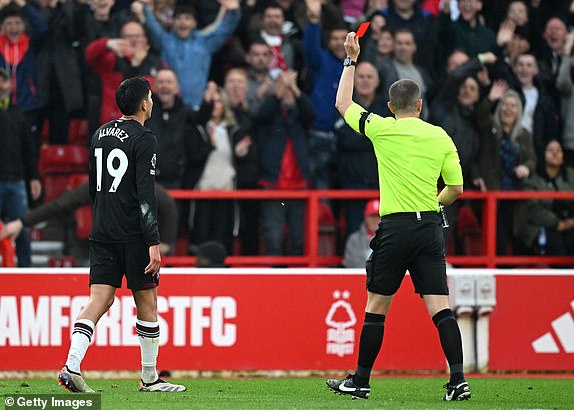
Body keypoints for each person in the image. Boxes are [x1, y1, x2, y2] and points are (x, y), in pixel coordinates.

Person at [326, 31, 470, 401]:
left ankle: (360, 380)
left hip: (396, 227)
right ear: (420, 106)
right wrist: (436, 204)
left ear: (391, 106)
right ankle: (458, 380)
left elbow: (343, 103)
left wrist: (351, 59)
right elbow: (456, 190)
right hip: (430, 228)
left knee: (377, 306)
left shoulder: (382, 129)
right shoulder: (440, 136)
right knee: (440, 307)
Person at [57, 77, 185, 393]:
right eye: (151, 97)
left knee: (99, 299)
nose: (152, 102)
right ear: (144, 104)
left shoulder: (100, 134)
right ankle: (150, 378)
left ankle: (71, 365)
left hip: (102, 230)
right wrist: (153, 242)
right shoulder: (145, 139)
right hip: (132, 233)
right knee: (147, 300)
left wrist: (101, 220)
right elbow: (146, 194)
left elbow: (92, 187)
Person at [0, 181, 178, 258]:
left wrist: (166, 242)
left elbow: (167, 204)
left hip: (136, 248)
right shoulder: (98, 184)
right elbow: (60, 205)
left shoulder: (140, 185)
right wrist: (22, 222)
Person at [476, 84, 536, 255]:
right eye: (505, 104)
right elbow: (479, 115)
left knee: (515, 238)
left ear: (519, 111)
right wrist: (490, 98)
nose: (508, 109)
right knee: (498, 242)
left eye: (513, 105)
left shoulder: (524, 134)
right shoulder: (490, 128)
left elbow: (532, 160)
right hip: (493, 193)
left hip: (515, 195)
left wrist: (526, 167)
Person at [0, 68, 41, 267]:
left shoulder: (18, 113)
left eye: (4, 81)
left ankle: (26, 270)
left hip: (17, 181)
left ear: (10, 84)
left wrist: (33, 176)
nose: (1, 85)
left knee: (22, 229)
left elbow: (28, 149)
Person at [519, 139, 574, 255]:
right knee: (558, 247)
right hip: (543, 225)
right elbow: (532, 209)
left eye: (558, 150)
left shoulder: (570, 176)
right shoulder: (532, 179)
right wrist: (557, 223)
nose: (555, 153)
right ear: (542, 154)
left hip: (570, 223)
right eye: (550, 150)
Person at [342, 199, 380, 268]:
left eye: (378, 216)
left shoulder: (391, 239)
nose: (375, 220)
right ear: (366, 218)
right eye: (372, 216)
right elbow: (352, 265)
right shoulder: (354, 240)